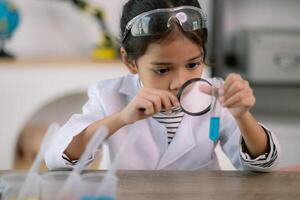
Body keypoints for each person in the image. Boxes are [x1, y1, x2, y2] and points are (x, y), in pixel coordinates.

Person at [45, 0, 280, 171]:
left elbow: (263, 164)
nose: (180, 82)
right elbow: (58, 158)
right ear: (130, 61)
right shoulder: (108, 95)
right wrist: (121, 119)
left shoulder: (216, 94)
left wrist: (243, 116)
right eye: (162, 69)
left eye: (193, 64)